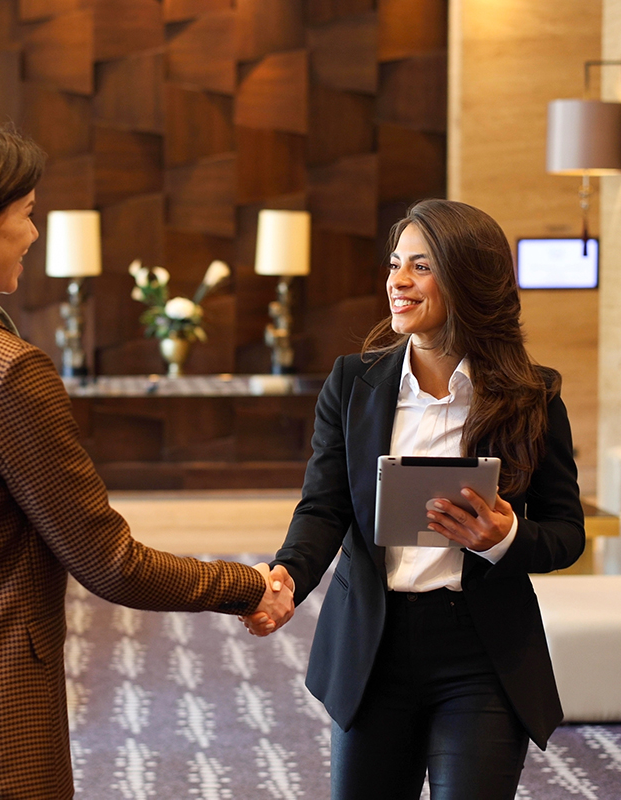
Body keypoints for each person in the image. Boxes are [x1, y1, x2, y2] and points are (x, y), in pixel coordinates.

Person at [0, 119, 293, 800]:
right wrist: (245, 586)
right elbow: (109, 563)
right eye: (28, 213)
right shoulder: (6, 372)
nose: (35, 234)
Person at [240, 199, 585, 800]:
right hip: (374, 649)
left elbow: (566, 533)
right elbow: (324, 507)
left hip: (482, 652)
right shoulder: (353, 383)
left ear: (468, 278)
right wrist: (288, 576)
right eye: (396, 263)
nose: (397, 280)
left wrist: (504, 537)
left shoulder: (533, 394)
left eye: (420, 266)